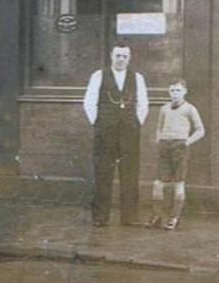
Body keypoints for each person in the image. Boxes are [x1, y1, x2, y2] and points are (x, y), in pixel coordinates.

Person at [83, 40, 149, 226]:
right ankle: (100, 217)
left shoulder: (138, 78)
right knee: (103, 172)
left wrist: (136, 122)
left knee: (130, 173)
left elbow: (143, 103)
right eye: (118, 56)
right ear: (111, 56)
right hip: (105, 131)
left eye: (124, 56)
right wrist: (98, 122)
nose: (121, 59)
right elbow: (89, 102)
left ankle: (130, 217)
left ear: (129, 58)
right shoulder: (98, 75)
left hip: (129, 131)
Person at [146, 79, 205, 231]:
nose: (175, 94)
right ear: (168, 92)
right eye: (172, 91)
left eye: (178, 90)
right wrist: (160, 140)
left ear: (185, 91)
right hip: (165, 147)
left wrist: (186, 142)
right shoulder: (164, 108)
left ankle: (174, 217)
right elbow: (159, 128)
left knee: (179, 182)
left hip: (180, 147)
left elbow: (200, 130)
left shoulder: (190, 109)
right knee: (158, 183)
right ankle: (157, 215)